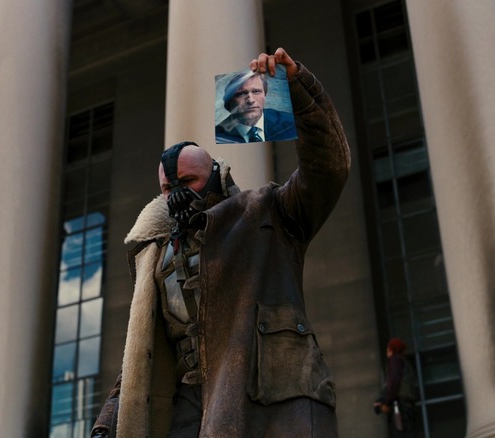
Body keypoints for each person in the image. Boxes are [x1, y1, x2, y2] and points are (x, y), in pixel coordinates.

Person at [91, 47, 350, 438]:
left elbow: (328, 166)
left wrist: (296, 88)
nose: (177, 195)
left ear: (215, 174)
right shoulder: (156, 256)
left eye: (188, 182)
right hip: (185, 412)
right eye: (167, 187)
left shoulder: (268, 212)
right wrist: (106, 424)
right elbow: (143, 353)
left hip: (261, 406)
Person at [215, 69, 297, 143]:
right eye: (241, 94)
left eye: (256, 91)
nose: (251, 100)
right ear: (229, 103)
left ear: (265, 95)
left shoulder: (290, 123)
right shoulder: (218, 135)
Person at [373, 338, 417, 437]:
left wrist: (386, 402)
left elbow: (393, 383)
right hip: (406, 405)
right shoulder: (404, 363)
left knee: (402, 433)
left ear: (391, 349)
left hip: (400, 406)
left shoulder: (395, 361)